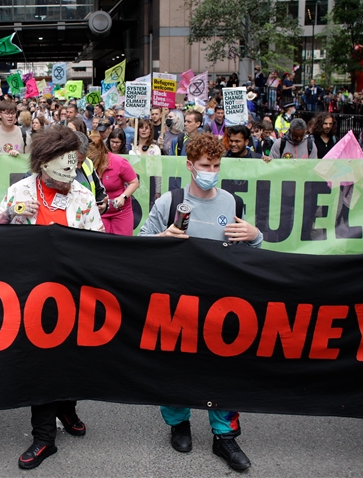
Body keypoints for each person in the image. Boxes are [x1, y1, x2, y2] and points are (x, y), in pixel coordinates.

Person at [139, 133, 261, 471]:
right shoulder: (169, 202)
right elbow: (140, 246)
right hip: (176, 302)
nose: (212, 172)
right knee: (174, 366)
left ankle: (225, 435)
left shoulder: (232, 203)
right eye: (206, 165)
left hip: (221, 304)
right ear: (190, 165)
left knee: (223, 367)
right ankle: (179, 423)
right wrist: (162, 238)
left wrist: (255, 237)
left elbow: (247, 253)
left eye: (217, 165)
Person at [0, 126, 102, 470]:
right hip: (31, 296)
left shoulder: (82, 196)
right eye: (63, 165)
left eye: (74, 164)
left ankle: (67, 407)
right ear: (43, 163)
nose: (70, 172)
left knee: (72, 361)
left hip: (73, 295)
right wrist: (11, 215)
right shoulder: (20, 190)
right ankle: (44, 438)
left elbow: (98, 243)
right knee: (41, 366)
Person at [88, 130, 138, 235]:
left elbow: (134, 182)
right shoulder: (88, 165)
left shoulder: (119, 162)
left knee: (122, 242)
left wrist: (123, 197)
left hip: (120, 210)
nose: (90, 161)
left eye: (92, 159)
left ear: (100, 154)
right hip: (100, 210)